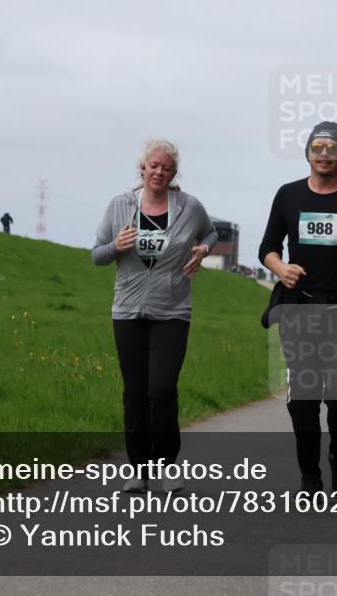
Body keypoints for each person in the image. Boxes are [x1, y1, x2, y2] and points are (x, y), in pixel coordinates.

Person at [260, 121, 337, 496]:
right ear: (307, 153)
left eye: (331, 147)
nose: (324, 154)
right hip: (298, 309)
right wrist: (280, 268)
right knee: (303, 398)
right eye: (317, 147)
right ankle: (310, 474)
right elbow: (267, 246)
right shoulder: (288, 195)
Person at [92, 139, 218, 494]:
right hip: (128, 311)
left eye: (166, 168)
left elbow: (210, 231)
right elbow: (97, 255)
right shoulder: (119, 206)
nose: (159, 172)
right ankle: (137, 467)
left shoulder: (189, 208)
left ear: (173, 173)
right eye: (153, 166)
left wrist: (203, 249)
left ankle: (168, 463)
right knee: (134, 392)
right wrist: (117, 246)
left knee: (162, 388)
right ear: (142, 169)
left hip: (172, 310)